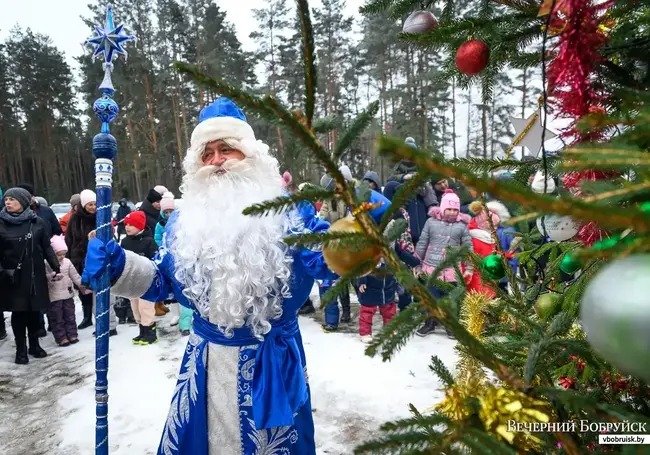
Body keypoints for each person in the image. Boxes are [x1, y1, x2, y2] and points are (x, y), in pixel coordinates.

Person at [82, 97, 388, 454]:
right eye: (206, 153)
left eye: (226, 149)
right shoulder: (184, 222)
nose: (216, 161)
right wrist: (119, 267)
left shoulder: (291, 214)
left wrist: (358, 236)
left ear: (251, 157)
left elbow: (325, 258)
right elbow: (165, 281)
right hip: (206, 365)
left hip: (271, 364)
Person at [0, 187, 60, 364]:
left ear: (24, 202)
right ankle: (21, 350)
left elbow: (46, 246)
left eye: (12, 199)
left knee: (34, 312)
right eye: (6, 199)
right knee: (18, 314)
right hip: (12, 277)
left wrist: (55, 264)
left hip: (35, 275)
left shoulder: (37, 222)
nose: (8, 202)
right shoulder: (1, 223)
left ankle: (35, 345)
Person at [415, 189, 473, 338]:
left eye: (455, 209)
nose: (452, 212)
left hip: (451, 272)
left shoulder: (462, 226)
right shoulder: (431, 222)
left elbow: (468, 248)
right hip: (431, 269)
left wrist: (470, 268)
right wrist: (417, 264)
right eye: (449, 209)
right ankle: (429, 323)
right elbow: (422, 243)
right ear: (442, 207)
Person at [312, 165, 355, 322]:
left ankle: (348, 308)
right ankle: (344, 311)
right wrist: (318, 223)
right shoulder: (329, 198)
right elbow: (323, 214)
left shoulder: (351, 196)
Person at [120, 211, 159, 345]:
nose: (127, 227)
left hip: (146, 281)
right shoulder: (125, 242)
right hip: (131, 281)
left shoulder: (149, 241)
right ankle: (142, 331)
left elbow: (155, 259)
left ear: (140, 226)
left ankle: (150, 333)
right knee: (135, 306)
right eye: (126, 224)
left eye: (131, 224)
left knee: (145, 306)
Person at [45, 235, 87, 346]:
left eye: (64, 254)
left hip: (68, 294)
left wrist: (82, 285)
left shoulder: (67, 262)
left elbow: (75, 276)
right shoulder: (46, 263)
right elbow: (44, 277)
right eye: (59, 254)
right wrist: (51, 276)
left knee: (70, 315)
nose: (62, 257)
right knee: (57, 317)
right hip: (53, 296)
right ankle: (61, 337)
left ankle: (72, 334)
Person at [65, 189, 97, 330]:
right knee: (83, 287)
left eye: (95, 204)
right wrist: (70, 257)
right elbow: (69, 239)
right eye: (89, 204)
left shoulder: (100, 216)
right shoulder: (75, 218)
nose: (93, 207)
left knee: (96, 286)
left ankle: (100, 314)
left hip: (95, 256)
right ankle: (87, 316)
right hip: (79, 257)